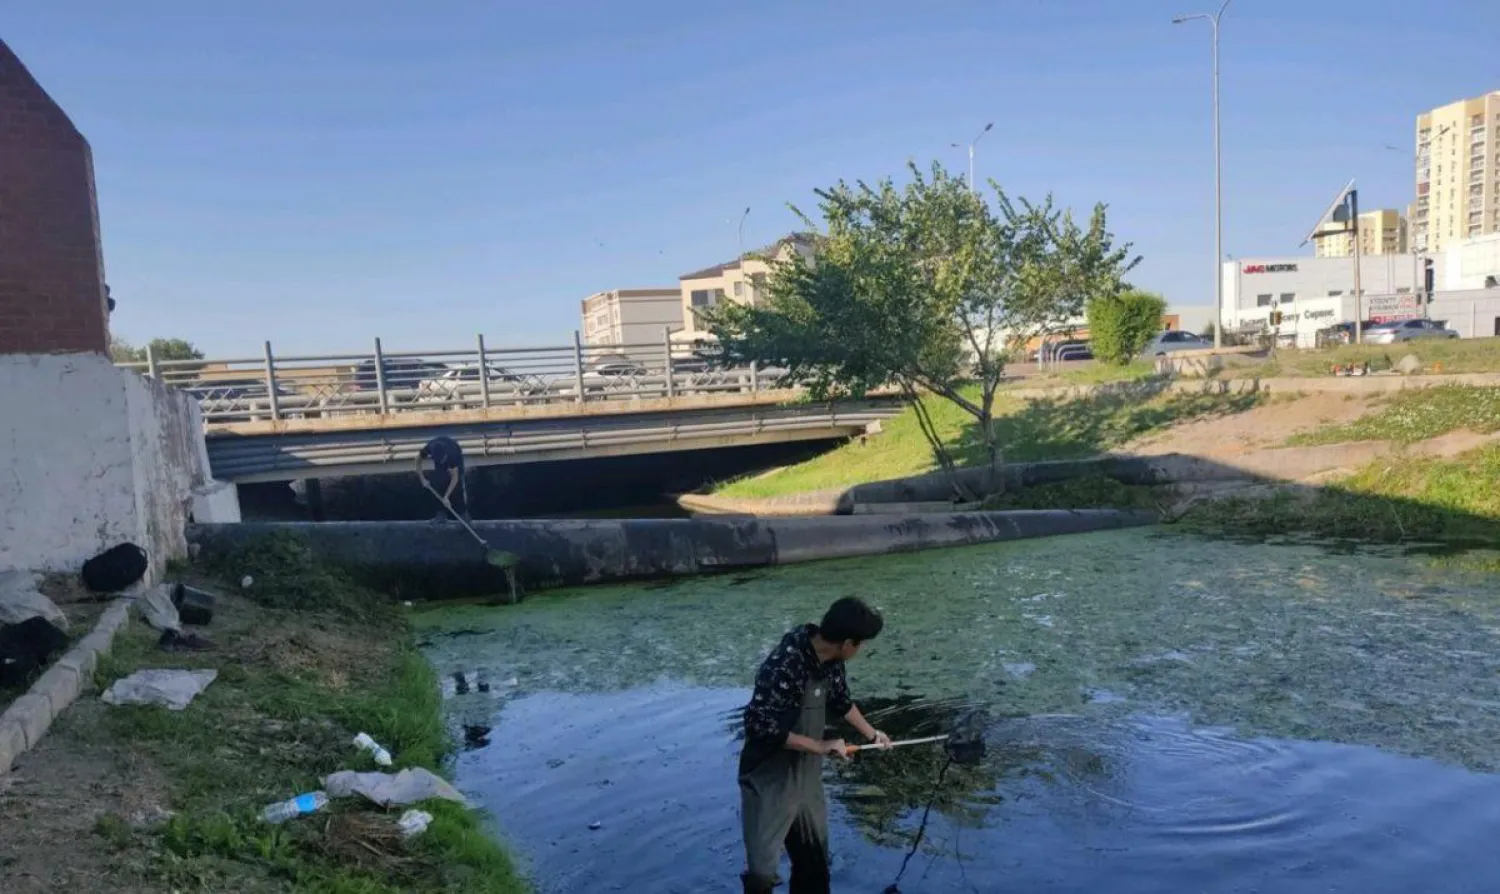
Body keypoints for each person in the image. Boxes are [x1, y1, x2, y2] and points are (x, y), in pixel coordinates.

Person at [739, 597, 892, 894]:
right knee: (761, 875)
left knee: (814, 865)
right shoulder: (785, 663)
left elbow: (840, 701)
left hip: (807, 780)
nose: (861, 650)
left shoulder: (833, 661)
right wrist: (821, 746)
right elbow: (760, 725)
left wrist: (873, 734)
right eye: (862, 644)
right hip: (769, 779)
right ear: (848, 643)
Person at [416, 436, 470, 521]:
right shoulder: (429, 448)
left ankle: (463, 514)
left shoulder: (453, 455)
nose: (442, 463)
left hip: (454, 450)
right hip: (440, 454)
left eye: (443, 460)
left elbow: (454, 478)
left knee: (458, 486)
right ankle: (441, 514)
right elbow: (418, 459)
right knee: (438, 481)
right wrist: (422, 478)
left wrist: (446, 497)